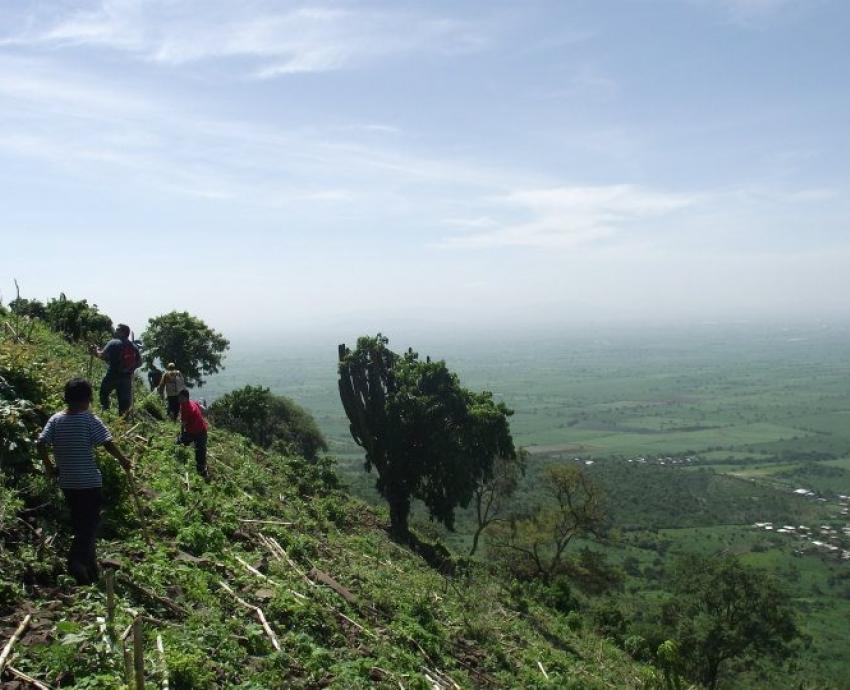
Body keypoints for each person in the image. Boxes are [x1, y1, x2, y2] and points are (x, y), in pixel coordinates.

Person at [36, 378, 132, 585]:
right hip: (88, 481)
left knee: (80, 521)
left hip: (68, 482)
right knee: (90, 524)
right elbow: (107, 443)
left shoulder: (55, 420)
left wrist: (49, 467)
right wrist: (124, 460)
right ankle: (76, 561)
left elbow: (41, 443)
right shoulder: (88, 420)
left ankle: (89, 565)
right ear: (86, 399)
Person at [90, 324, 141, 415]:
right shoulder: (133, 346)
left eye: (117, 330)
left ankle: (105, 413)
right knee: (124, 403)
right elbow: (139, 362)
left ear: (122, 332)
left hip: (112, 375)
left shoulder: (113, 342)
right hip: (126, 378)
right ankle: (123, 422)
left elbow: (102, 355)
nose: (115, 331)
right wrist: (130, 369)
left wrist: (95, 351)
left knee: (103, 393)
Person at [178, 389, 209, 479]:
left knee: (199, 453)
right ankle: (202, 471)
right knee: (200, 452)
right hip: (200, 430)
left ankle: (202, 473)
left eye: (180, 397)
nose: (178, 399)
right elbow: (200, 407)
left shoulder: (185, 408)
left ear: (184, 398)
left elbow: (183, 424)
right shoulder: (191, 402)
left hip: (198, 432)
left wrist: (182, 434)